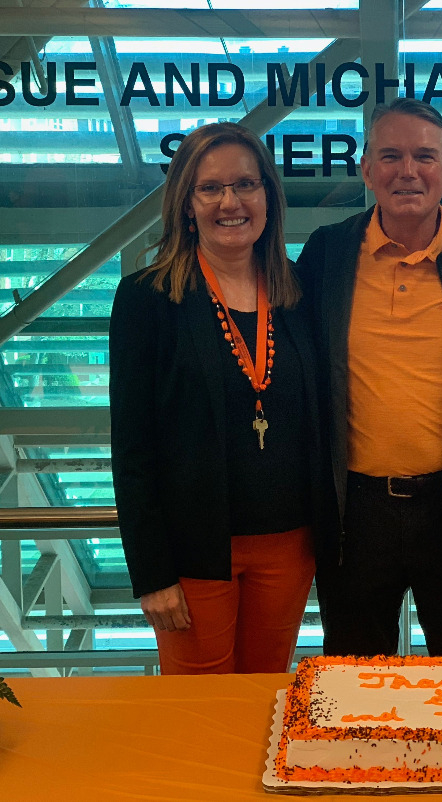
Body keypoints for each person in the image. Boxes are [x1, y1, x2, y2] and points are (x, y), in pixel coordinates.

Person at [109, 122, 330, 674]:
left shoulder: (300, 292)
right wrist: (152, 574)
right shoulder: (147, 299)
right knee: (197, 712)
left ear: (267, 198)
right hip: (193, 553)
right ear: (187, 204)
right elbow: (132, 448)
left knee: (264, 695)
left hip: (289, 545)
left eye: (246, 185)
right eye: (211, 188)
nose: (230, 202)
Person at [296, 99, 442, 657]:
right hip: (355, 513)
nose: (406, 171)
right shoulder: (327, 253)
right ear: (367, 170)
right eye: (390, 156)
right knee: (354, 685)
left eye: (424, 156)